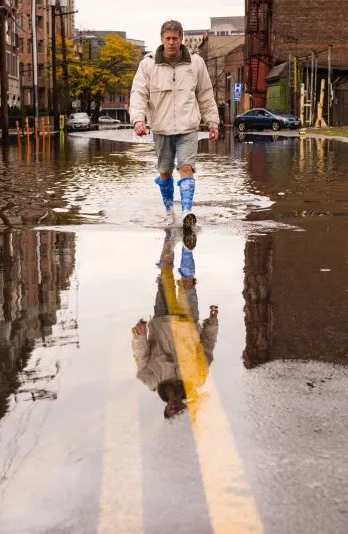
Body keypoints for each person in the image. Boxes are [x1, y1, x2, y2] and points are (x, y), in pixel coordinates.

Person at [129, 20, 220, 229]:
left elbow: (206, 94)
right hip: (161, 128)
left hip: (188, 127)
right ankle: (169, 212)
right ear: (162, 39)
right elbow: (138, 94)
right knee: (165, 171)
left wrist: (212, 122)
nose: (171, 42)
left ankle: (187, 211)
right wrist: (138, 120)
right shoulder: (148, 64)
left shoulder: (196, 63)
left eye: (175, 38)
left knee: (186, 167)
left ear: (181, 39)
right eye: (168, 38)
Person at [131, 231, 219, 418]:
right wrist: (212, 323)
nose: (176, 407)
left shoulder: (150, 379)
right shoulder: (197, 379)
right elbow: (207, 349)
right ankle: (187, 244)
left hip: (162, 319)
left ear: (166, 409)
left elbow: (141, 355)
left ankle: (169, 237)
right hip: (188, 321)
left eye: (172, 410)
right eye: (179, 410)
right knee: (187, 281)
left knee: (165, 273)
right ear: (185, 408)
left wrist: (140, 335)